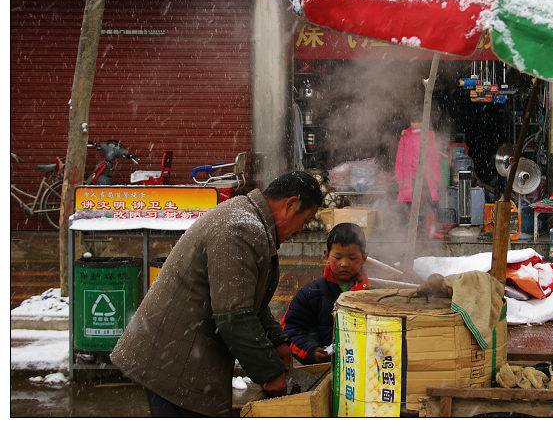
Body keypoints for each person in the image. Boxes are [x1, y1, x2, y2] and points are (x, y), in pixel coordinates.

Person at [110, 171, 323, 417]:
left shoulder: (248, 218)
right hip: (173, 363)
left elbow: (247, 298)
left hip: (179, 359)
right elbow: (234, 314)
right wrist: (270, 373)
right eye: (305, 221)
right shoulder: (241, 228)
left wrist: (277, 341)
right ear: (291, 204)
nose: (300, 230)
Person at [281, 223, 370, 364]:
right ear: (327, 256)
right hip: (323, 372)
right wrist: (310, 350)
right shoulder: (310, 294)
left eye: (352, 258)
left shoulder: (375, 296)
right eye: (338, 257)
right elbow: (290, 329)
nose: (345, 264)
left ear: (364, 258)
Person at [394, 116, 443, 238]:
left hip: (426, 174)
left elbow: (434, 156)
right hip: (410, 177)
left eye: (418, 122)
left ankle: (430, 230)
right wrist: (399, 177)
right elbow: (399, 158)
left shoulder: (429, 136)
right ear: (410, 123)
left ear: (422, 122)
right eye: (413, 122)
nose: (416, 124)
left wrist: (436, 174)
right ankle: (413, 231)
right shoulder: (405, 138)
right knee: (410, 204)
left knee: (430, 202)